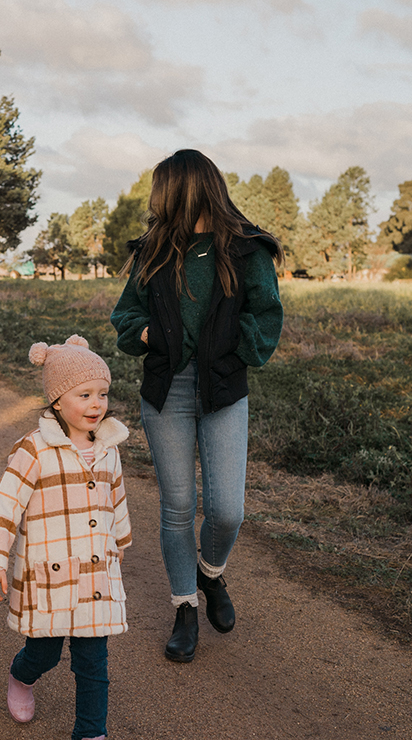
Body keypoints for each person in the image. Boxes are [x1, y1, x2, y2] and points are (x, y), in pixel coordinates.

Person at [110, 148, 283, 663]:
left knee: (228, 510)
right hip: (167, 391)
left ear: (186, 189)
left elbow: (267, 318)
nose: (156, 199)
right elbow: (126, 314)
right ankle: (185, 607)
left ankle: (211, 574)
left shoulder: (247, 249)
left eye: (163, 189)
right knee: (178, 507)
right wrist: (144, 332)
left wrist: (231, 346)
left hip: (224, 388)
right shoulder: (154, 250)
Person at [0, 335, 130, 740]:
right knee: (43, 653)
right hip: (48, 577)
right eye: (84, 395)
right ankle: (21, 677)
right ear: (57, 399)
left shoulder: (108, 446)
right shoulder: (34, 449)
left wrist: (119, 545)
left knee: (94, 664)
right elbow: (5, 503)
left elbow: (116, 499)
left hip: (95, 579)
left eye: (101, 394)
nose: (95, 405)